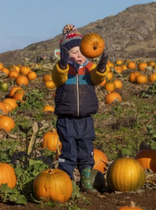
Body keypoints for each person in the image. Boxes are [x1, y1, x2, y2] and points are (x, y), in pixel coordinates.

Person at [52, 24, 108, 194]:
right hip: (66, 118)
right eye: (74, 52)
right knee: (68, 150)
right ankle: (66, 182)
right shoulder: (63, 69)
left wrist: (102, 68)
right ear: (65, 53)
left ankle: (86, 181)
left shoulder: (89, 68)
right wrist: (62, 63)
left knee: (86, 150)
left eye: (81, 52)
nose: (78, 55)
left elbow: (98, 79)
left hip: (85, 118)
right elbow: (57, 77)